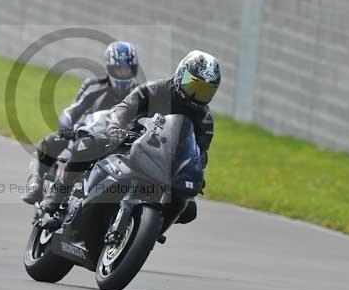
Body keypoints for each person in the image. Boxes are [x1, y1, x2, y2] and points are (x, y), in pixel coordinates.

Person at [40, 50, 220, 227]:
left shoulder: (204, 119)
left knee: (188, 207)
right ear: (181, 74)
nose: (195, 94)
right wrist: (115, 128)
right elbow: (125, 107)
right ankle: (59, 192)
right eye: (193, 85)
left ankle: (151, 229)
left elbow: (200, 153)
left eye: (204, 91)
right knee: (85, 146)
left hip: (162, 160)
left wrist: (195, 170)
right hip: (128, 139)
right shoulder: (156, 89)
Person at [22, 42, 140, 204]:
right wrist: (66, 128)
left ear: (133, 70)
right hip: (87, 136)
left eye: (127, 69)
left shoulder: (140, 93)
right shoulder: (93, 86)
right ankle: (36, 184)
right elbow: (72, 111)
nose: (123, 73)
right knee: (48, 143)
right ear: (109, 69)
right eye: (118, 69)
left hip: (121, 145)